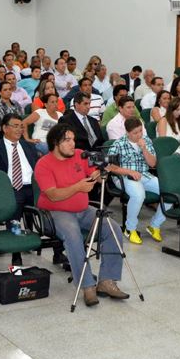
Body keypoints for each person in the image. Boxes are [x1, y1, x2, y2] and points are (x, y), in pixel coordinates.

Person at [34, 123, 129, 306]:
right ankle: (87, 286)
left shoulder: (79, 155)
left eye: (73, 139)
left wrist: (100, 175)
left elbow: (93, 174)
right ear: (55, 143)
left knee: (113, 229)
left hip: (83, 209)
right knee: (72, 234)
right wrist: (78, 187)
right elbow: (53, 195)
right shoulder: (43, 164)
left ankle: (106, 281)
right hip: (56, 212)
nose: (72, 144)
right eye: (67, 140)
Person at [110, 117, 167, 243]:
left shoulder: (146, 141)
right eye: (135, 133)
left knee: (169, 191)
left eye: (140, 131)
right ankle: (130, 229)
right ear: (128, 132)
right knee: (139, 195)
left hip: (144, 175)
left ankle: (155, 225)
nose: (139, 135)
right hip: (124, 176)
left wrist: (144, 149)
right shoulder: (118, 144)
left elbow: (152, 163)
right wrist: (129, 172)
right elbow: (111, 167)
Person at [0, 114, 40, 218]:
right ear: (5, 128)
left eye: (21, 126)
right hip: (10, 189)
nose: (19, 130)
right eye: (15, 126)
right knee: (14, 219)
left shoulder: (30, 146)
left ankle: (32, 229)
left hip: (32, 187)